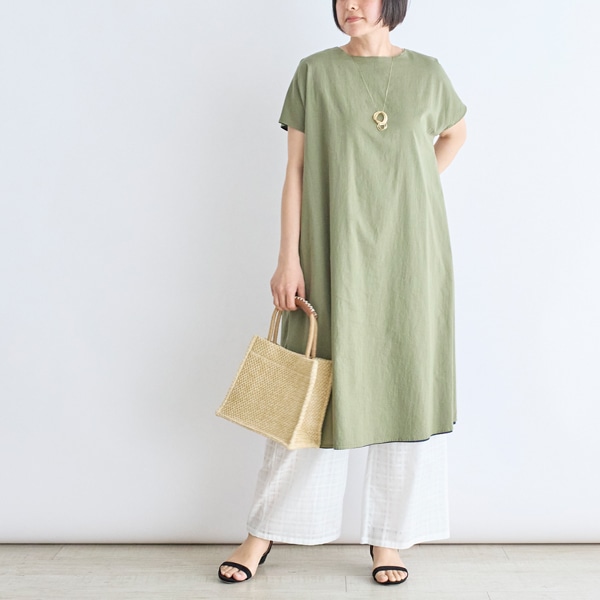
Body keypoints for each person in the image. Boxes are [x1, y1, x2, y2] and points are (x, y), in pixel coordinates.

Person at [218, 0, 467, 586]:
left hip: (411, 254)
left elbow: (455, 133)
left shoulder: (428, 73)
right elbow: (296, 171)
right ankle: (262, 533)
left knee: (404, 386)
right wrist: (288, 257)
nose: (350, 4)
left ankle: (389, 539)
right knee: (314, 389)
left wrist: (410, 184)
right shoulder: (316, 72)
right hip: (332, 251)